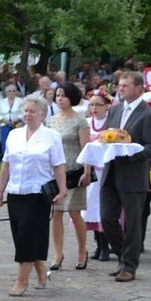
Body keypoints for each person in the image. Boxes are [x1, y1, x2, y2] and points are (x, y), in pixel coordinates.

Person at [0, 95, 67, 296]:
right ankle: (41, 269)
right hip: (16, 193)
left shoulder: (52, 136)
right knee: (21, 237)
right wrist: (0, 191)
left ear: (42, 114)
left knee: (27, 236)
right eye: (25, 110)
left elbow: (59, 165)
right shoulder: (14, 135)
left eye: (32, 111)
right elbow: (6, 165)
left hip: (37, 195)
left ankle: (21, 281)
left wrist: (62, 190)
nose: (27, 114)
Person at [100, 71, 151, 283]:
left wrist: (129, 153)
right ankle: (121, 254)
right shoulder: (115, 110)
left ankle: (129, 266)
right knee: (107, 218)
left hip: (133, 175)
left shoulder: (149, 114)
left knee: (133, 222)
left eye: (125, 85)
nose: (120, 88)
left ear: (138, 88)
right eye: (119, 85)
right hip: (111, 172)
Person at [48, 82, 91, 271]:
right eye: (57, 95)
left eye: (63, 95)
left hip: (75, 171)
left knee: (74, 212)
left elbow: (86, 148)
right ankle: (57, 254)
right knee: (56, 213)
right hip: (56, 172)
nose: (60, 99)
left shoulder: (81, 121)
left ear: (72, 98)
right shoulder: (51, 120)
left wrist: (87, 172)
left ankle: (82, 251)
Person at [83, 89, 111, 261]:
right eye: (91, 104)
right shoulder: (86, 123)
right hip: (91, 173)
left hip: (106, 172)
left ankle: (107, 246)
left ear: (107, 106)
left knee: (105, 209)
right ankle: (98, 245)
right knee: (92, 210)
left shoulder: (111, 123)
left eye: (98, 105)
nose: (94, 108)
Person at [0, 84, 24, 158]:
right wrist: (3, 119)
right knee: (5, 142)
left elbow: (23, 112)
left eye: (14, 91)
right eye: (9, 91)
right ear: (6, 92)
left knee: (17, 142)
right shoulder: (1, 101)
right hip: (5, 124)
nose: (11, 93)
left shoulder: (21, 101)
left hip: (17, 125)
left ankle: (17, 157)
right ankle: (5, 158)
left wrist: (18, 119)